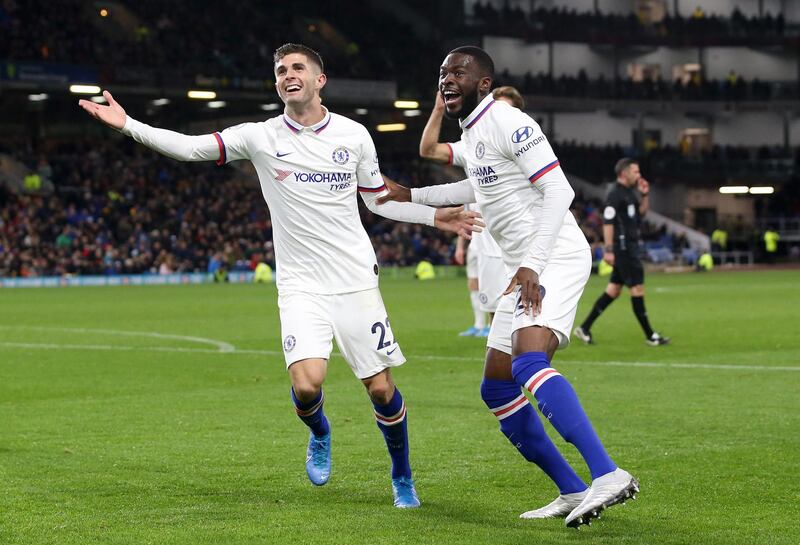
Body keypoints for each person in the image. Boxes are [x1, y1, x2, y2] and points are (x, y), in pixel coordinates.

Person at [79, 43, 481, 509]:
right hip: (300, 285)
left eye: (297, 68)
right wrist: (129, 125)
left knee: (380, 388)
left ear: (319, 80)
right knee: (307, 385)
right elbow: (190, 149)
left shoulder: (353, 136)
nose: (287, 75)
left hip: (354, 280)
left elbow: (375, 198)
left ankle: (402, 476)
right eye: (280, 70)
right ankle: (320, 432)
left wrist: (436, 218)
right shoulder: (260, 136)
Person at [379, 46, 638, 528]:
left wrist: (533, 266)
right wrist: (409, 194)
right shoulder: (475, 132)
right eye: (441, 72)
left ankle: (608, 473)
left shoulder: (507, 121)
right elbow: (472, 191)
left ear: (483, 82)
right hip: (528, 266)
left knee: (528, 361)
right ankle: (571, 488)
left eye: (457, 71)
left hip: (554, 257)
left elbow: (561, 190)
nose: (446, 78)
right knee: (497, 386)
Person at [420, 86, 524, 337]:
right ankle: (487, 336)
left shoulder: (526, 149)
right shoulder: (471, 146)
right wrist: (437, 110)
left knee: (519, 316)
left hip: (516, 240)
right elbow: (428, 150)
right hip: (483, 237)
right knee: (495, 320)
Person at [574, 158, 669, 347]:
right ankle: (651, 335)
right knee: (637, 289)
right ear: (624, 173)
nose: (638, 175)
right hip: (623, 248)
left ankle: (584, 328)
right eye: (635, 172)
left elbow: (641, 213)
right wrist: (609, 249)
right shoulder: (615, 194)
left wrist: (645, 194)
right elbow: (608, 222)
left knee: (614, 290)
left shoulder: (629, 193)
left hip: (630, 247)